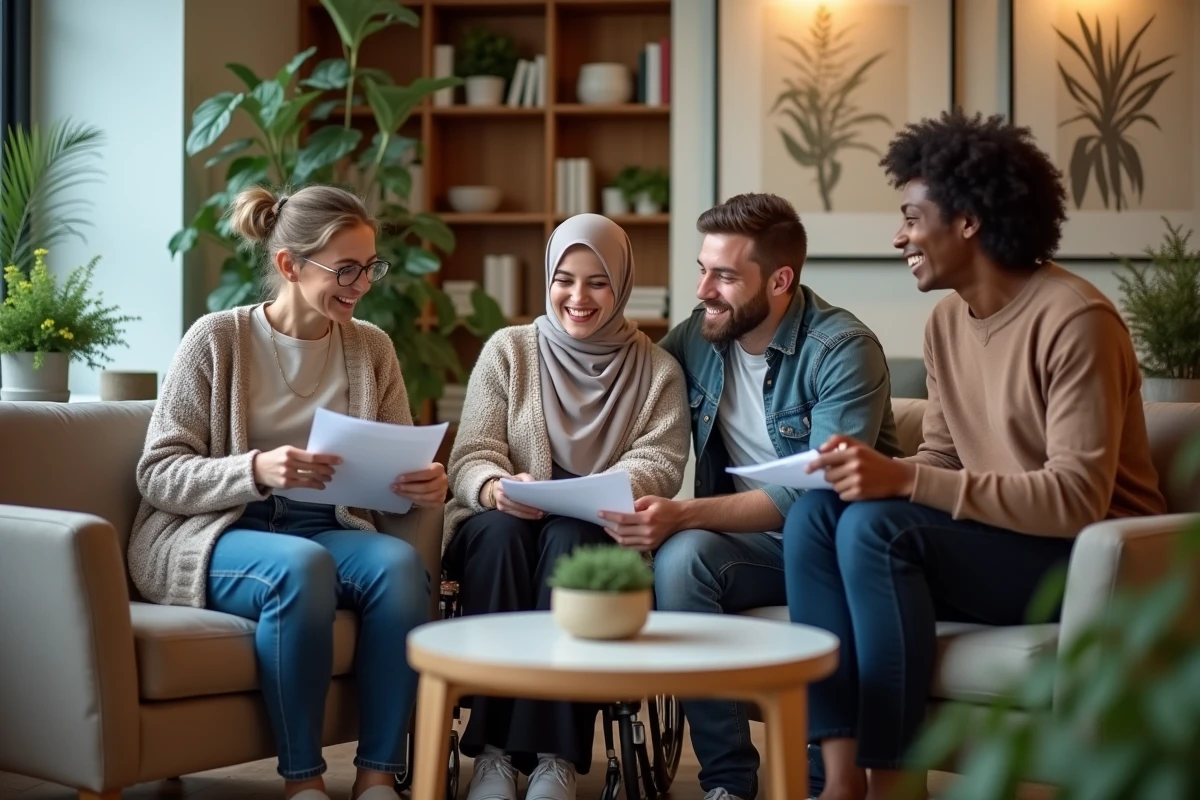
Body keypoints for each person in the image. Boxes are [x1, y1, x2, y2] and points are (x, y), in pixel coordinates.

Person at [783, 109, 1168, 800]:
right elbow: (944, 457)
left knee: (879, 526)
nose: (899, 235)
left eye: (910, 215)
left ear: (968, 220)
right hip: (999, 543)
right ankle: (840, 782)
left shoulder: (1076, 320)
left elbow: (1077, 498)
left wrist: (899, 483)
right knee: (819, 513)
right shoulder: (946, 322)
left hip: (1087, 560)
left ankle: (900, 790)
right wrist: (863, 475)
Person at [128, 185, 448, 800]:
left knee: (401, 567)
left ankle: (379, 775)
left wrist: (419, 483)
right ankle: (302, 781)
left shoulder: (372, 348)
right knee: (301, 569)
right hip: (220, 531)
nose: (361, 284)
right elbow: (158, 472)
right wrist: (256, 470)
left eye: (370, 267)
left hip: (328, 525)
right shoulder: (215, 340)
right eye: (345, 269)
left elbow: (391, 472)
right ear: (288, 265)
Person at [599, 192, 902, 800]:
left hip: (841, 550)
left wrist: (683, 513)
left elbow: (811, 498)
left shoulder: (842, 349)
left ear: (781, 279)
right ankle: (728, 783)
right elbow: (623, 377)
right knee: (683, 562)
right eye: (702, 268)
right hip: (756, 550)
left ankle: (824, 781)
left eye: (725, 275)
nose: (704, 288)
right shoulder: (701, 337)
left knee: (699, 539)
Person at [442, 213, 690, 800]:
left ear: (622, 283)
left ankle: (556, 758)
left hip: (598, 524)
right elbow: (471, 453)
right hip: (506, 517)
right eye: (565, 279)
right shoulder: (509, 350)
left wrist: (602, 490)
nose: (578, 298)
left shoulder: (657, 370)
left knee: (571, 544)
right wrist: (495, 486)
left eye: (597, 281)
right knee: (500, 537)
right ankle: (497, 754)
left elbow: (661, 462)